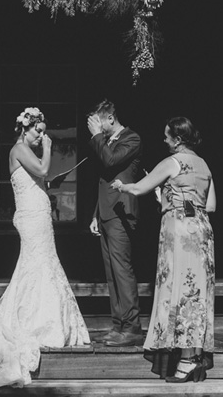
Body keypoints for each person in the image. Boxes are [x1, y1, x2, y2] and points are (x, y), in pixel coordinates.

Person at [0, 107, 89, 388]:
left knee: (42, 266)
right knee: (37, 266)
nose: (41, 136)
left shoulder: (25, 152)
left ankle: (46, 320)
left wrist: (50, 182)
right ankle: (34, 323)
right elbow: (43, 168)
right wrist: (48, 149)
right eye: (39, 131)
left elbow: (40, 177)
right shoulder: (20, 149)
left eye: (44, 133)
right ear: (26, 128)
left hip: (38, 214)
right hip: (32, 218)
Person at [111, 117, 216, 382]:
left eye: (167, 136)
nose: (164, 140)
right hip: (202, 230)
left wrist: (121, 186)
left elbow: (138, 188)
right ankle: (196, 355)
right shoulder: (204, 164)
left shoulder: (173, 162)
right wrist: (170, 197)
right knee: (196, 291)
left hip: (179, 231)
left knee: (178, 289)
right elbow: (210, 205)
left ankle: (186, 360)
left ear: (178, 139)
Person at [87, 99, 144, 347]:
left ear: (110, 118)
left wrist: (96, 136)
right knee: (111, 272)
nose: (97, 128)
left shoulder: (131, 138)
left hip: (122, 213)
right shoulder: (106, 141)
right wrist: (95, 214)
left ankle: (132, 327)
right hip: (106, 212)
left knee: (122, 270)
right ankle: (118, 325)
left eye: (100, 123)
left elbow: (111, 161)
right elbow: (105, 178)